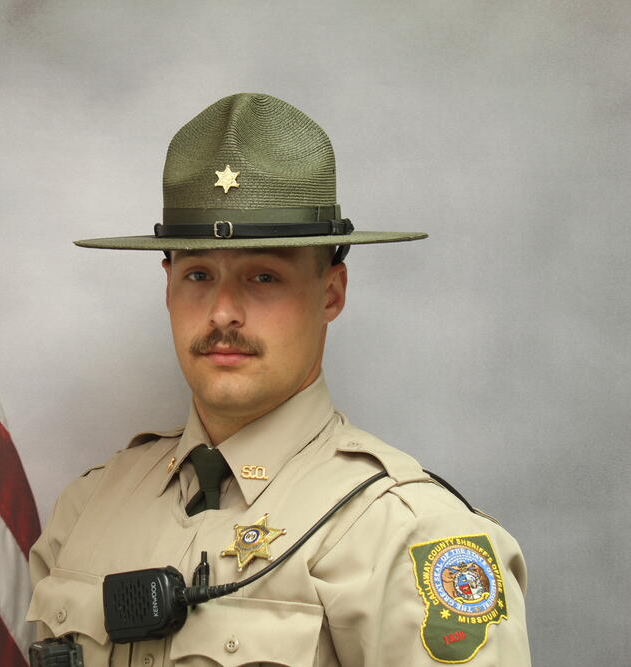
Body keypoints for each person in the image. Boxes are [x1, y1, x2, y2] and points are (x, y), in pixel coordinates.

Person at [27, 93, 530, 666]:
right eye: (197, 274)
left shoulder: (408, 536)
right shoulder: (89, 508)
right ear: (167, 288)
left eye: (263, 276)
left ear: (331, 293)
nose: (222, 312)